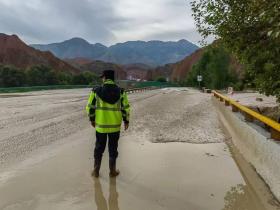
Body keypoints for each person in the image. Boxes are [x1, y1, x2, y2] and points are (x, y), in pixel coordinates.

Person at [86, 70, 130, 178]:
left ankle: (96, 172)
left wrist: (92, 119)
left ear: (105, 78)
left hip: (101, 127)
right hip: (115, 127)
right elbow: (125, 108)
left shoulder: (96, 91)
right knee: (113, 149)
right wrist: (126, 121)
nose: (102, 79)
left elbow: (90, 107)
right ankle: (112, 172)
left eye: (102, 77)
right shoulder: (121, 92)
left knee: (99, 149)